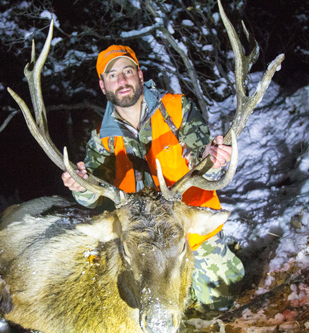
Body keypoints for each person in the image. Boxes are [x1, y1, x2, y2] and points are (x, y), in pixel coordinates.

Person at [62, 45, 244, 310]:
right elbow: (94, 193)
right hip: (141, 244)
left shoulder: (177, 108)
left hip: (188, 230)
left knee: (219, 303)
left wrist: (212, 160)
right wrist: (81, 186)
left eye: (127, 71)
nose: (122, 80)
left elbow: (200, 157)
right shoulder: (102, 139)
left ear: (140, 75)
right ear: (103, 86)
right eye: (112, 75)